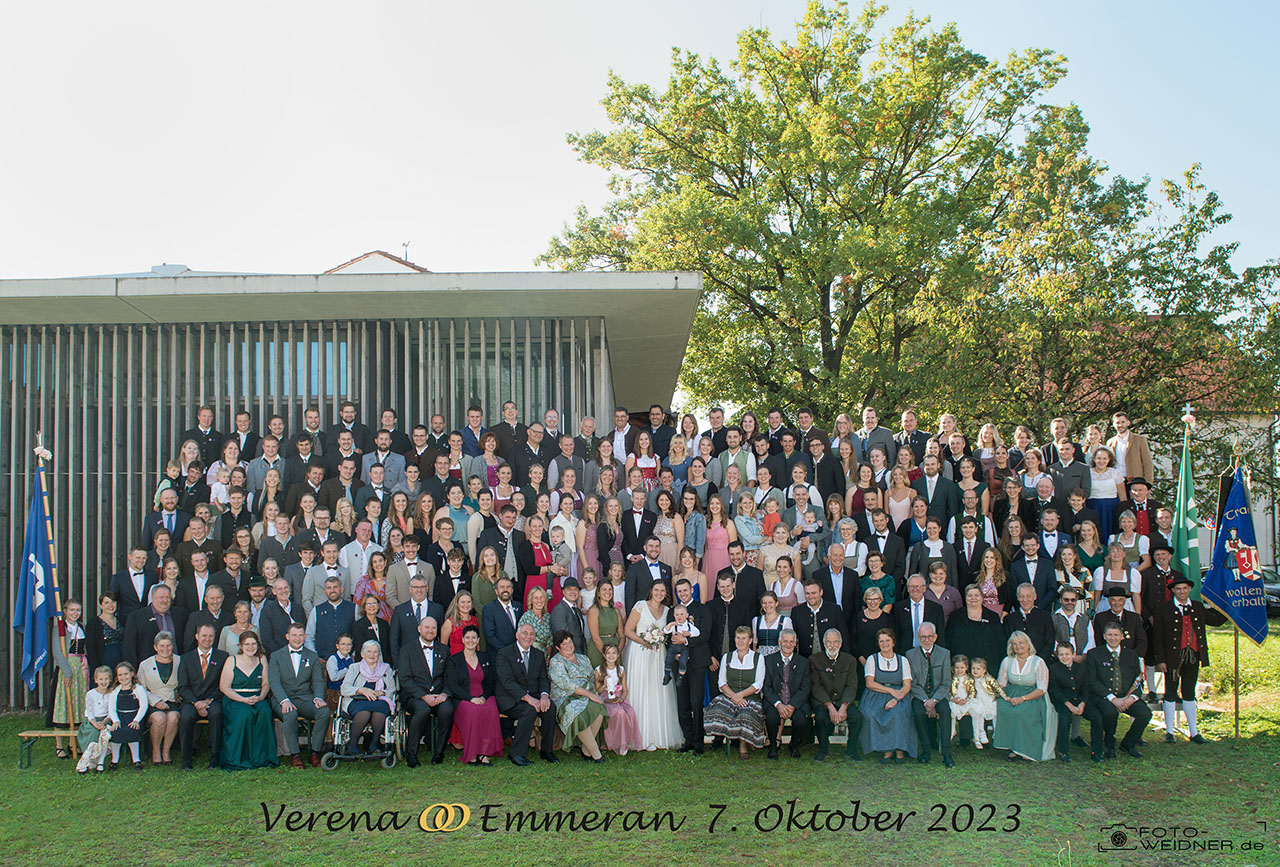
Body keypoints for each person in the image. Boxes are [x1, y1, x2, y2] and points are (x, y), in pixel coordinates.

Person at [623, 581, 684, 750]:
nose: (659, 593)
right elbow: (628, 630)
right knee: (642, 690)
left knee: (658, 691)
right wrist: (645, 641)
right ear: (651, 591)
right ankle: (640, 736)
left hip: (660, 655)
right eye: (656, 590)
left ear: (666, 593)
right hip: (640, 653)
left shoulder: (667, 610)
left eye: (662, 591)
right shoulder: (640, 606)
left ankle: (658, 735)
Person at [1151, 574, 1210, 745]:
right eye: (1178, 589)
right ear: (1173, 591)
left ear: (1189, 589)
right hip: (1172, 658)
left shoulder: (1198, 607)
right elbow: (1158, 636)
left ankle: (1194, 731)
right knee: (1170, 692)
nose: (1182, 592)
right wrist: (1161, 659)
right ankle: (1169, 731)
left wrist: (1229, 609)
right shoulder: (1164, 609)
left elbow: (1214, 620)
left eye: (1184, 588)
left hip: (1192, 656)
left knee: (1189, 692)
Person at [1084, 621, 1153, 760]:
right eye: (1109, 635)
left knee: (1145, 713)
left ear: (1122, 636)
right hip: (1104, 697)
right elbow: (1092, 681)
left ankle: (1128, 744)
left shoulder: (1131, 655)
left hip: (1126, 696)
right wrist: (1112, 699)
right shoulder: (1094, 654)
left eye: (1116, 635)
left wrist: (1132, 698)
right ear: (1104, 636)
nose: (1113, 638)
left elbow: (1138, 679)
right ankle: (1109, 744)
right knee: (1110, 713)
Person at [493, 622, 558, 766]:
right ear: (517, 635)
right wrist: (528, 699)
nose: (528, 637)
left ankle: (546, 750)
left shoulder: (538, 655)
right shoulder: (504, 653)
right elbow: (507, 682)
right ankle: (517, 754)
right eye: (525, 633)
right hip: (510, 699)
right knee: (529, 710)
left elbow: (543, 678)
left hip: (534, 697)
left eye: (531, 634)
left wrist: (544, 695)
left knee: (550, 707)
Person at [267, 623, 330, 767]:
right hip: (282, 698)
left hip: (305, 698)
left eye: (300, 635)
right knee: (290, 713)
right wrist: (284, 700)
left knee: (324, 711)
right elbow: (274, 681)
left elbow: (318, 681)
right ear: (287, 637)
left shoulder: (312, 656)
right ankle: (295, 755)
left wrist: (318, 697)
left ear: (305, 637)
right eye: (294, 635)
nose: (297, 638)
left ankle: (315, 752)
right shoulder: (276, 656)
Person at [703, 626, 768, 759]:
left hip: (750, 697)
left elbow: (758, 684)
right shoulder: (727, 657)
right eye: (738, 638)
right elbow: (722, 682)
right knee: (718, 710)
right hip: (730, 696)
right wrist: (734, 696)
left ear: (750, 641)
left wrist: (741, 695)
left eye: (744, 638)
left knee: (745, 714)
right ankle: (726, 740)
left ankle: (743, 745)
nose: (740, 641)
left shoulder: (758, 658)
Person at [993, 630, 1056, 762]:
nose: (1018, 646)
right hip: (1011, 694)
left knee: (1022, 713)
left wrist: (1022, 699)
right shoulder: (1007, 661)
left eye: (1021, 643)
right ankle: (1011, 747)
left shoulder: (1038, 662)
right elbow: (1001, 684)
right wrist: (1005, 697)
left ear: (1028, 644)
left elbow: (1042, 689)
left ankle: (1025, 749)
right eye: (1014, 644)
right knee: (1002, 709)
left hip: (1033, 696)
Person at [445, 625, 503, 764]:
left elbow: (491, 682)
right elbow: (453, 685)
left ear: (478, 640)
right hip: (463, 699)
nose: (471, 640)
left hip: (483, 697)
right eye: (467, 638)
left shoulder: (485, 658)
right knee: (473, 712)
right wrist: (471, 699)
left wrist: (483, 697)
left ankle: (484, 753)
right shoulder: (454, 660)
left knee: (491, 709)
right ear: (463, 640)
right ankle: (471, 754)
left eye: (474, 638)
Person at [219, 631, 277, 770]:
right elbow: (224, 687)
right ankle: (239, 758)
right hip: (235, 699)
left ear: (257, 644)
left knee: (264, 711)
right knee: (245, 714)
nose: (250, 647)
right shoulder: (231, 660)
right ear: (241, 645)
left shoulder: (262, 659)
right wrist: (243, 700)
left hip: (257, 697)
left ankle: (262, 758)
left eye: (253, 644)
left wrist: (261, 697)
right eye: (247, 644)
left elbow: (266, 683)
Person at [549, 630, 609, 762]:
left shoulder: (583, 658)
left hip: (587, 694)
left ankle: (586, 750)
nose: (569, 645)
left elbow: (592, 677)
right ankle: (596, 754)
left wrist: (602, 685)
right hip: (566, 697)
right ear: (558, 648)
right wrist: (590, 695)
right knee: (578, 715)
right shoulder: (556, 662)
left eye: (570, 642)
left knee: (599, 710)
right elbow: (567, 685)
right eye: (564, 644)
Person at [860, 628, 917, 763]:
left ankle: (899, 749)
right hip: (876, 694)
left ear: (893, 642)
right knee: (870, 713)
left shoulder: (902, 660)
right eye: (881, 641)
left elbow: (907, 685)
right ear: (878, 643)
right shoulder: (872, 659)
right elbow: (869, 683)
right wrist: (891, 691)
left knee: (898, 714)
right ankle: (886, 749)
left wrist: (897, 698)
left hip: (899, 696)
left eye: (887, 640)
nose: (885, 644)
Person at [177, 622, 227, 770]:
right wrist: (195, 702)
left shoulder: (223, 657)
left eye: (211, 636)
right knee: (185, 717)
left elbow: (223, 684)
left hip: (213, 699)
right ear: (197, 636)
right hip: (191, 700)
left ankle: (215, 757)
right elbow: (183, 687)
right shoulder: (186, 658)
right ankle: (186, 759)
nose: (207, 639)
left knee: (217, 714)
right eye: (204, 635)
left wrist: (208, 701)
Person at [904, 622, 953, 766]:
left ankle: (946, 752)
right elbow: (912, 683)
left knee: (945, 711)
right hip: (919, 695)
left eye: (930, 637)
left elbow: (946, 682)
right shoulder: (910, 654)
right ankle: (925, 750)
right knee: (918, 712)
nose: (926, 640)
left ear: (935, 637)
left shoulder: (944, 654)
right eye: (923, 637)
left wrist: (935, 700)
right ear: (918, 637)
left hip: (939, 694)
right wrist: (926, 700)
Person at [340, 639, 398, 756]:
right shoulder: (354, 668)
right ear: (362, 654)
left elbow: (392, 690)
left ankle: (374, 745)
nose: (372, 655)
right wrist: (360, 690)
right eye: (369, 652)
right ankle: (353, 745)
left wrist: (381, 692)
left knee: (380, 709)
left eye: (375, 652)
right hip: (357, 701)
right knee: (364, 711)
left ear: (379, 654)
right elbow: (344, 689)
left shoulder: (386, 669)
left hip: (379, 701)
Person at [1047, 642, 1102, 763]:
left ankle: (1097, 752)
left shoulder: (1081, 668)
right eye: (1061, 654)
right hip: (1062, 702)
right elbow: (1055, 690)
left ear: (1073, 654)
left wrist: (1082, 703)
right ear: (1057, 655)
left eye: (1067, 654)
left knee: (1096, 717)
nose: (1064, 657)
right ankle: (1063, 751)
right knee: (1064, 718)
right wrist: (1069, 705)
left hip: (1080, 701)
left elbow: (1085, 688)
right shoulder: (1053, 669)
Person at [762, 628, 810, 759]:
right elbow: (766, 687)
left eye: (791, 642)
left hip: (795, 702)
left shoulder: (804, 662)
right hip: (775, 701)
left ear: (795, 643)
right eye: (785, 641)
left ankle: (794, 745)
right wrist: (778, 705)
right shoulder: (768, 660)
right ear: (779, 642)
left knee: (801, 720)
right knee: (772, 718)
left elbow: (805, 688)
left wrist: (792, 705)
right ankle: (773, 746)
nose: (788, 644)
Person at [137, 631, 181, 765]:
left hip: (173, 700)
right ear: (155, 647)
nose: (165, 649)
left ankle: (166, 751)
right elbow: (140, 688)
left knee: (173, 717)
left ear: (172, 646)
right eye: (161, 646)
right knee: (159, 718)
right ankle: (156, 751)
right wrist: (156, 702)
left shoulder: (180, 661)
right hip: (152, 702)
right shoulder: (145, 664)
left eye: (168, 646)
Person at [594, 643, 642, 755]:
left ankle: (626, 741)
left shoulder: (620, 670)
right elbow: (598, 690)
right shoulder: (599, 670)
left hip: (618, 696)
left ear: (618, 654)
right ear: (604, 655)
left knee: (630, 713)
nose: (611, 656)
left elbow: (625, 689)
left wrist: (622, 698)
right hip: (606, 697)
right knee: (619, 713)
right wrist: (605, 684)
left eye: (614, 653)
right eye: (608, 653)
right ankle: (616, 743)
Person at [106, 661, 150, 770]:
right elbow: (111, 708)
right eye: (120, 675)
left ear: (131, 674)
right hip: (120, 717)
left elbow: (143, 706)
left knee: (132, 731)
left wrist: (136, 720)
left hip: (134, 717)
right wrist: (115, 720)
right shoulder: (115, 690)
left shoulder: (138, 689)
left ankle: (136, 759)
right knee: (116, 731)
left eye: (126, 674)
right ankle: (114, 760)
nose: (123, 677)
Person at [662, 603, 700, 685]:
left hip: (683, 648)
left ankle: (680, 677)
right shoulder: (673, 626)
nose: (679, 616)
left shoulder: (689, 626)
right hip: (673, 647)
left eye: (682, 614)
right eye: (677, 615)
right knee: (668, 659)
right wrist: (671, 624)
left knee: (683, 661)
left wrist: (689, 634)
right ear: (674, 616)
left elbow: (697, 633)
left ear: (687, 615)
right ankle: (667, 675)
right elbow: (665, 631)